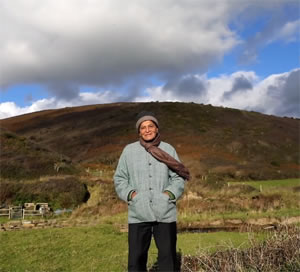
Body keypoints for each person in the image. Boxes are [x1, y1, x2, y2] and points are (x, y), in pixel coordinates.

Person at [114, 111, 190, 272]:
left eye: (150, 126)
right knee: (136, 259)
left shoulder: (168, 148)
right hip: (138, 213)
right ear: (139, 131)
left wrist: (168, 196)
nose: (147, 130)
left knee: (167, 258)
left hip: (165, 212)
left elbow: (178, 177)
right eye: (143, 127)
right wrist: (132, 196)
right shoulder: (129, 151)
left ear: (156, 129)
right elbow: (120, 178)